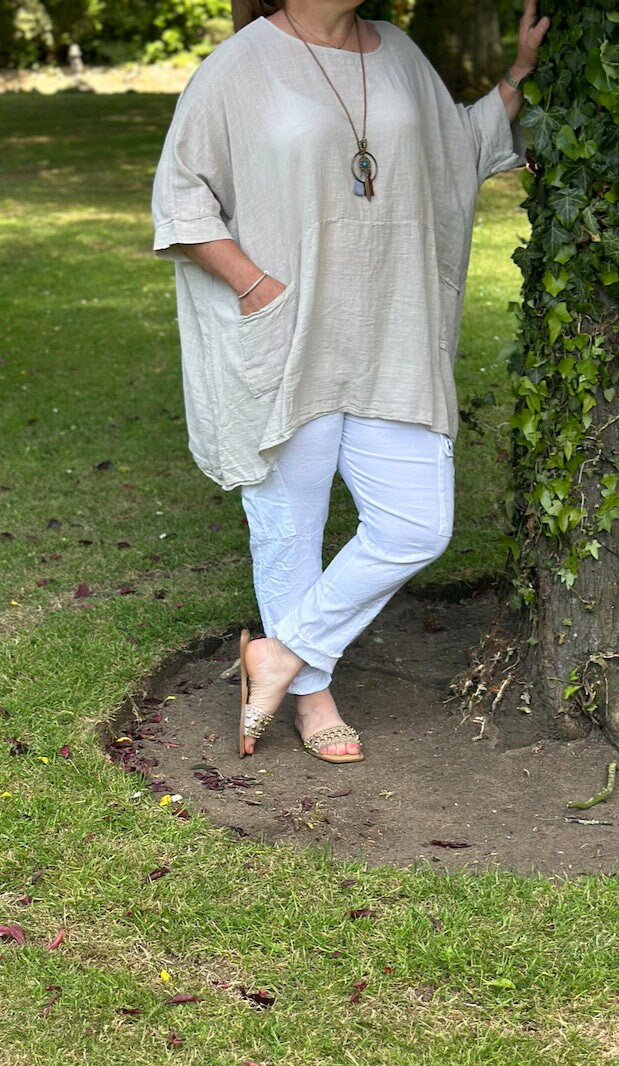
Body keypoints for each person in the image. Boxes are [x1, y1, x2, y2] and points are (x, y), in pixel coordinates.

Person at [152, 0, 549, 762]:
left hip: (389, 329)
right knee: (287, 527)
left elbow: (452, 149)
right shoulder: (239, 65)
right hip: (292, 334)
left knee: (417, 523)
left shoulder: (397, 50)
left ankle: (282, 652)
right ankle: (311, 696)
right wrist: (257, 287)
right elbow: (182, 194)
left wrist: (516, 77)